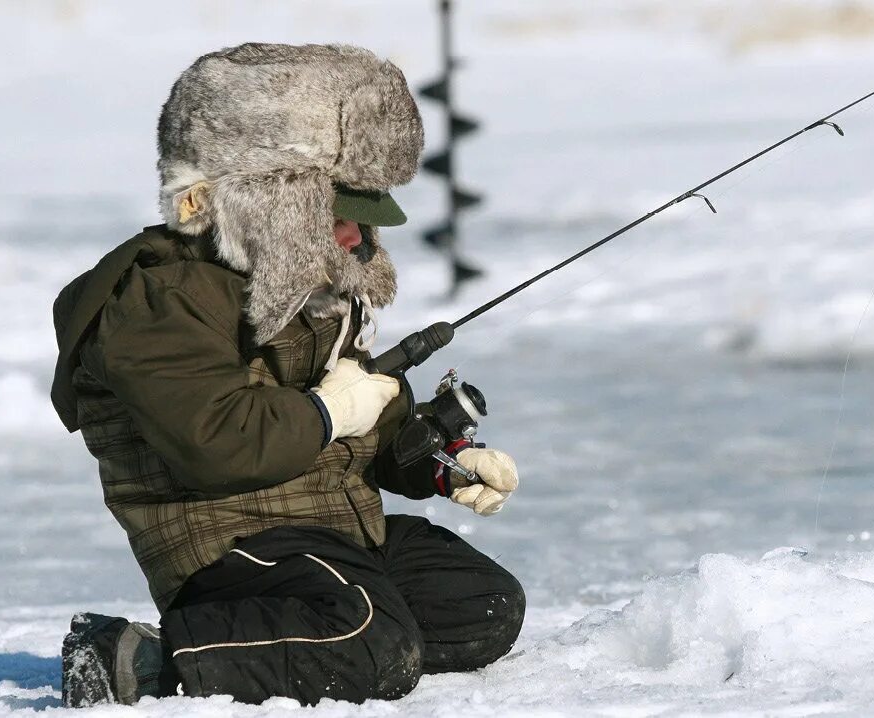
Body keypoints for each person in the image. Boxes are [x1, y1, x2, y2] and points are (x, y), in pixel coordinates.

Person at [49, 43, 524, 707]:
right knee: (376, 644)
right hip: (230, 546)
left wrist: (437, 463)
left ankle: (316, 638)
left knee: (482, 605)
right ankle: (138, 658)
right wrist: (331, 413)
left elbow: (367, 420)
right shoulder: (160, 301)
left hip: (331, 530)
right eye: (339, 217)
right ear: (264, 206)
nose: (357, 237)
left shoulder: (311, 286)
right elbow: (216, 443)